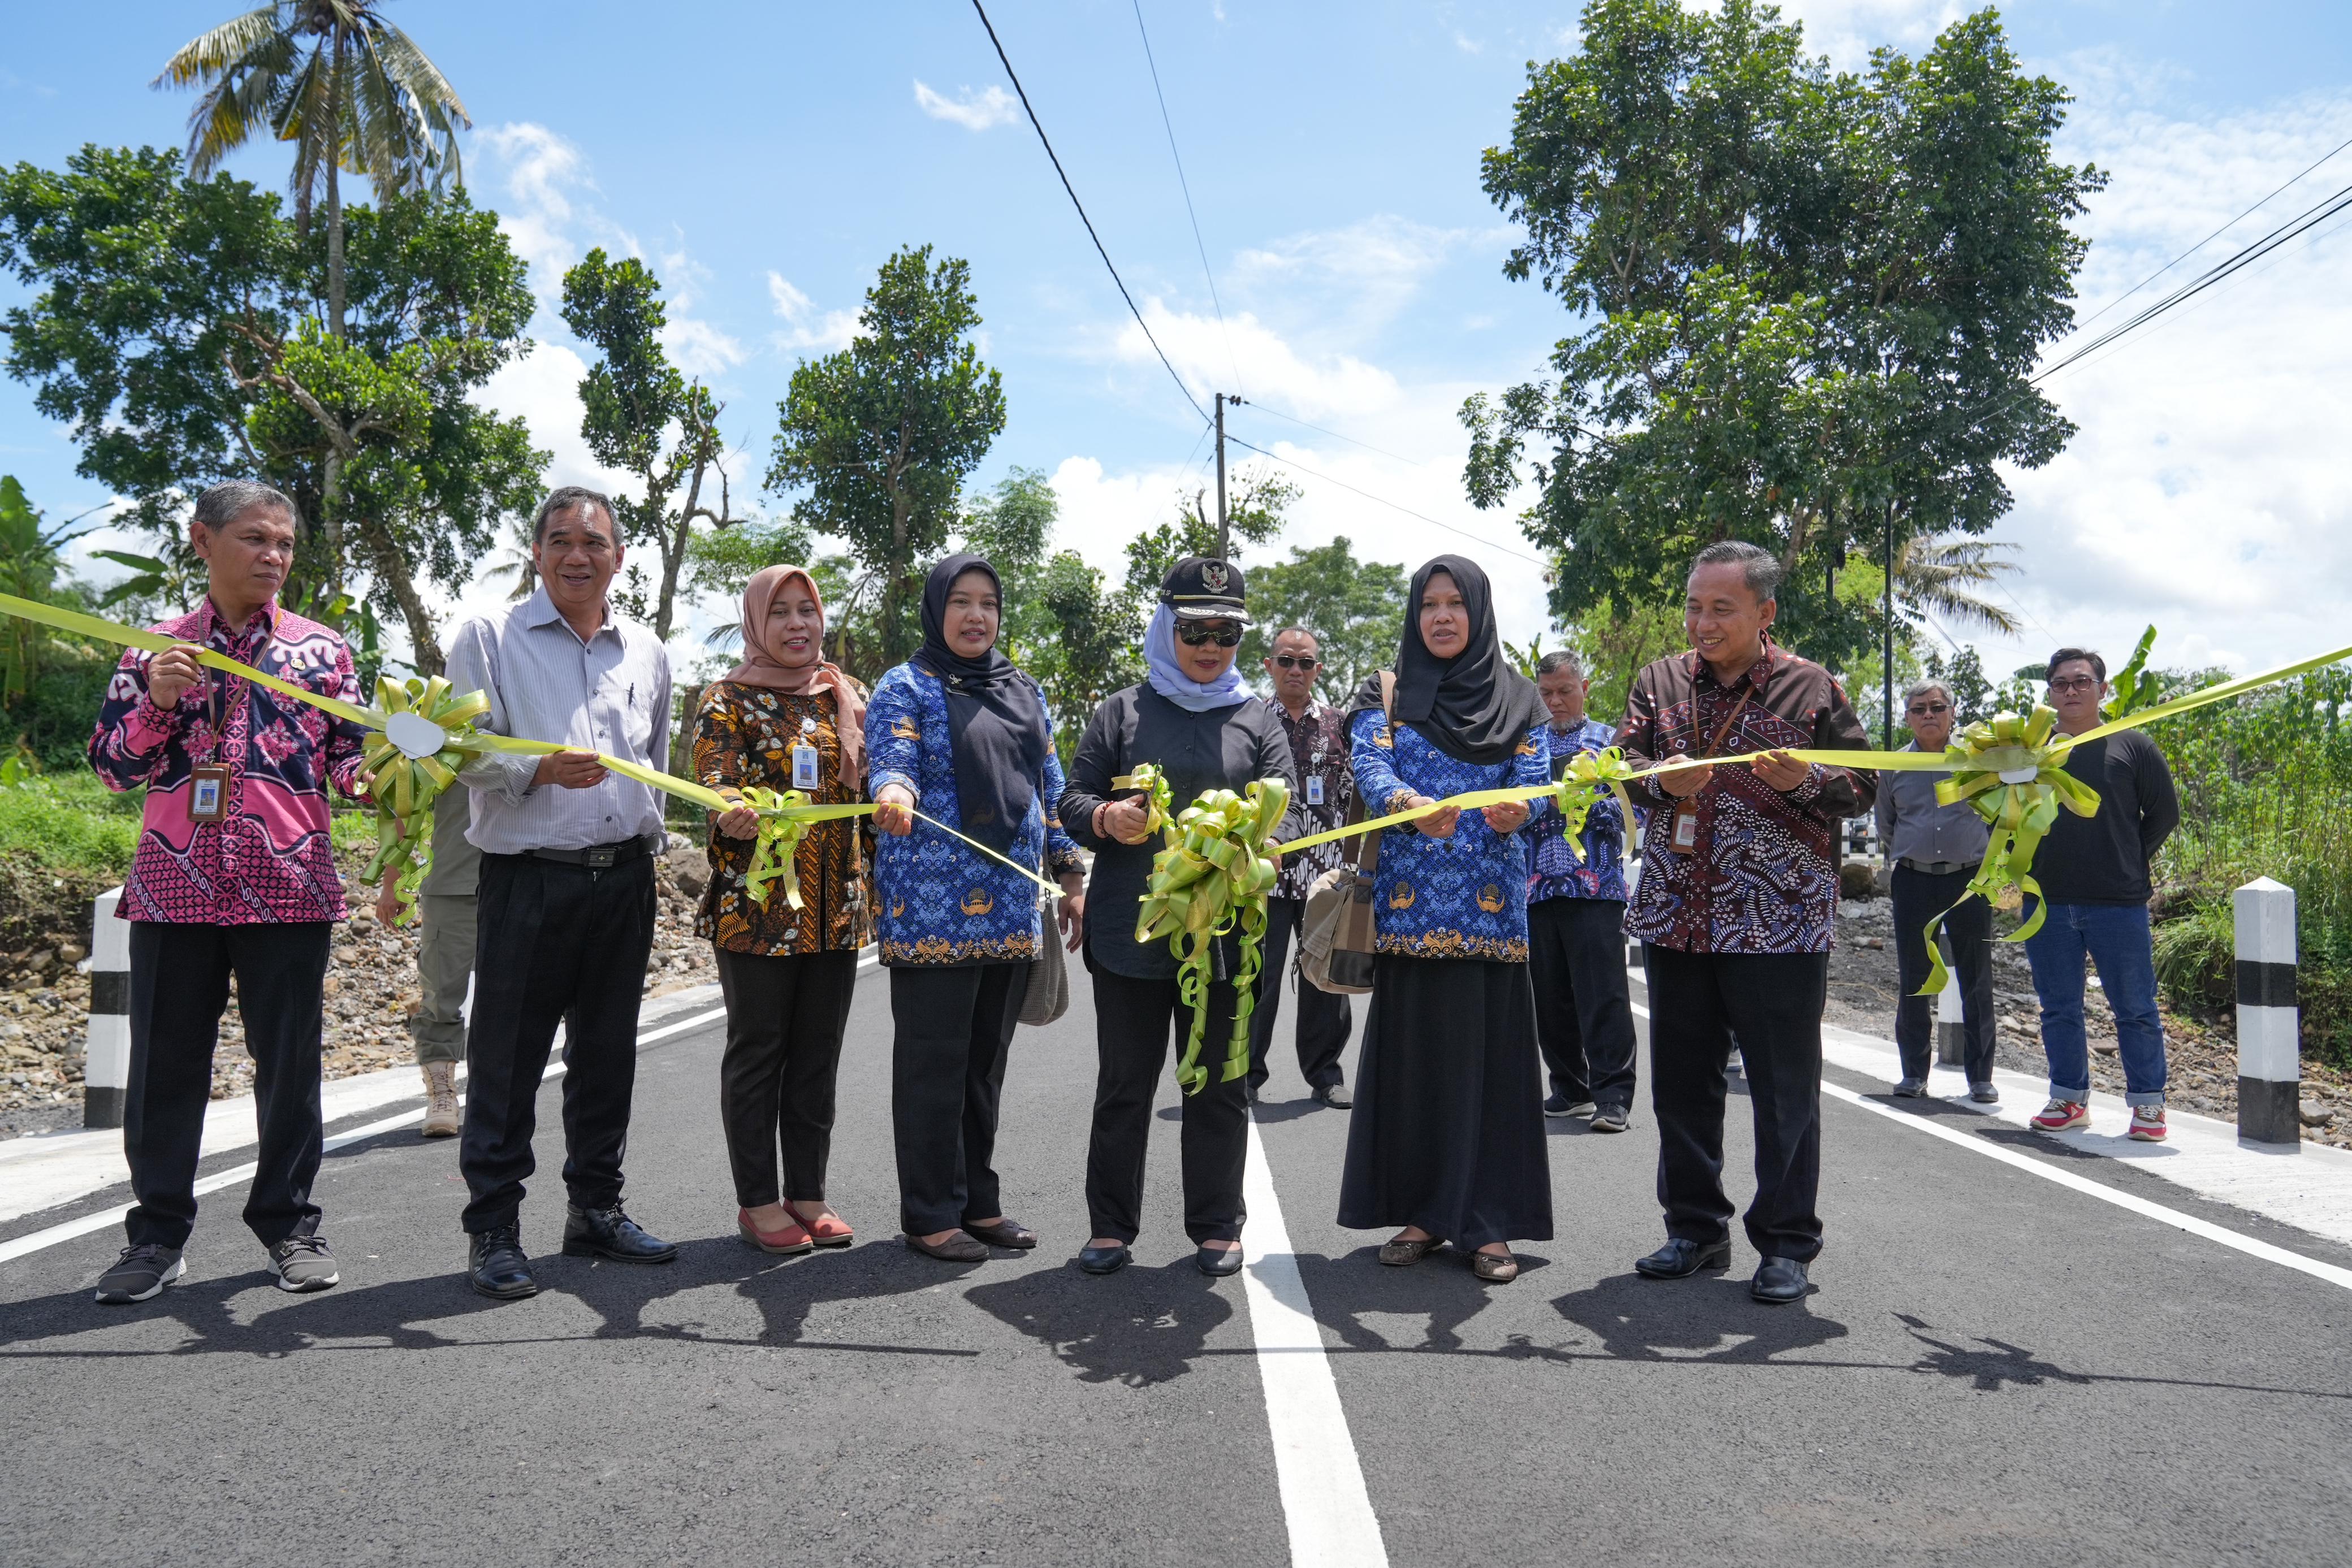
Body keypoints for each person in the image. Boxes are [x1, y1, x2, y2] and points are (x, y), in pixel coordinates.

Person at [86, 480, 368, 1305]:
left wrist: (395, 773)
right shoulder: (154, 646)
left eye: (283, 543)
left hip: (289, 883)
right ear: (202, 541)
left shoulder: (323, 653)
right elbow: (112, 768)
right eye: (255, 539)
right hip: (176, 889)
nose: (274, 557)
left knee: (289, 1067)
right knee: (165, 1068)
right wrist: (160, 702)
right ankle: (157, 1237)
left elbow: (347, 761)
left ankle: (289, 1226)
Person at [1618, 540, 1873, 1306]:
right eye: (1695, 605)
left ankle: (1788, 1242)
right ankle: (1694, 1227)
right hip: (1677, 914)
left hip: (1779, 922)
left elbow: (1864, 786)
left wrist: (1813, 779)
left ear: (1764, 613)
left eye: (1721, 608)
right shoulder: (1657, 683)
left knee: (1783, 1087)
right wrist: (1660, 784)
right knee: (1682, 1086)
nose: (1702, 621)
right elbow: (1624, 770)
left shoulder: (1814, 690)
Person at [443, 486, 678, 1301]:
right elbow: (459, 750)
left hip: (623, 879)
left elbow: (654, 757)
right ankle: (495, 1229)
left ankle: (596, 1209)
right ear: (535, 551)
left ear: (619, 556)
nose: (577, 555)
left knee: (607, 1054)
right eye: (560, 540)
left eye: (595, 542)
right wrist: (536, 768)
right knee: (506, 1059)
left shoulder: (646, 648)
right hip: (527, 876)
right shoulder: (489, 635)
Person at [1061, 559, 1302, 1278]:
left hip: (1224, 938)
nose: (1210, 645)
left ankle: (1217, 1225)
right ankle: (1109, 1225)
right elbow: (1070, 799)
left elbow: (1286, 807)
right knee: (1124, 1084)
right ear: (1167, 627)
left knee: (1217, 1081)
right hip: (1129, 938)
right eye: (1195, 628)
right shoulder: (1121, 711)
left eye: (1225, 632)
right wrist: (1105, 816)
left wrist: (1261, 842)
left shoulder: (1257, 717)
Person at [1337, 555, 1551, 1285]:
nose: (1441, 616)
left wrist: (1525, 806)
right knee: (1418, 1068)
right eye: (1429, 603)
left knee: (1489, 1071)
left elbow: (1540, 780)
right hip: (1407, 911)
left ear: (1479, 612)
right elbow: (1370, 766)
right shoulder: (1387, 689)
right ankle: (1425, 1214)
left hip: (1492, 917)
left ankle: (1490, 1226)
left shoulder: (1521, 699)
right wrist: (1406, 806)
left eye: (1455, 603)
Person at [867, 554, 1086, 1264]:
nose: (974, 615)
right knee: (933, 1063)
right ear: (936, 609)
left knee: (984, 1066)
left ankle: (977, 1202)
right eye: (960, 601)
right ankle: (929, 1212)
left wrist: (1069, 873)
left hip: (1010, 909)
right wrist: (894, 791)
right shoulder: (904, 686)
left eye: (987, 603)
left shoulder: (1022, 689)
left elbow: (1049, 790)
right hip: (931, 913)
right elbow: (891, 757)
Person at [694, 565, 873, 1255]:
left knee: (816, 1055)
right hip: (759, 906)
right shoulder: (727, 697)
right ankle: (758, 1200)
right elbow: (712, 777)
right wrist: (729, 809)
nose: (798, 624)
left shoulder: (846, 694)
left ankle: (809, 1192)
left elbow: (878, 774)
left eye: (808, 611)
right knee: (758, 1051)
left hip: (836, 904)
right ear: (755, 624)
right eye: (781, 613)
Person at [2022, 648, 2180, 1141]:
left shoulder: (2132, 745)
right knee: (2058, 1006)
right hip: (2046, 901)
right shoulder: (2031, 752)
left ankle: (2148, 1107)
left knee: (2135, 1006)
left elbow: (2164, 814)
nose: (2071, 690)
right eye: (2060, 683)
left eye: (2081, 681)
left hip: (2118, 903)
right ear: (2049, 692)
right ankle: (2069, 1098)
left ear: (2102, 689)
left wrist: (2128, 857)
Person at [1525, 649, 1640, 1132]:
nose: (1555, 701)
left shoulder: (1610, 744)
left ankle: (1613, 1094)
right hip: (1536, 889)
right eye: (1546, 693)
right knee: (1548, 998)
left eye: (1564, 691)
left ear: (1584, 688)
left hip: (1595, 887)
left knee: (1603, 994)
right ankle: (1569, 1088)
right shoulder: (1526, 748)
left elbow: (1636, 815)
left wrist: (1588, 799)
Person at [1244, 625, 1355, 1108]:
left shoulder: (1338, 724)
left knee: (1324, 977)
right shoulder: (1247, 722)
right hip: (1263, 875)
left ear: (1318, 669)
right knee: (1257, 979)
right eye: (1286, 661)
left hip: (1323, 878)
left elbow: (1353, 795)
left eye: (1305, 662)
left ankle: (1326, 1075)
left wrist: (1357, 864)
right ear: (1269, 666)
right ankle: (1244, 1075)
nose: (1295, 670)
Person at [1875, 679, 1998, 1103]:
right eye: (1918, 709)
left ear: (1952, 713)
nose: (1928, 715)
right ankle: (1914, 1074)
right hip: (1913, 878)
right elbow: (1887, 825)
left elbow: (2000, 816)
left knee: (1976, 976)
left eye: (1937, 707)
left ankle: (1980, 1077)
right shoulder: (1893, 766)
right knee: (1915, 977)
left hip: (1969, 880)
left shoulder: (1978, 762)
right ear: (1907, 717)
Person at [377, 784, 475, 1138]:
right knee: (442, 996)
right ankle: (442, 1096)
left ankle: (498, 1096)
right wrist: (394, 882)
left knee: (518, 999)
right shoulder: (437, 733)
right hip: (454, 886)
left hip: (527, 881)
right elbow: (406, 810)